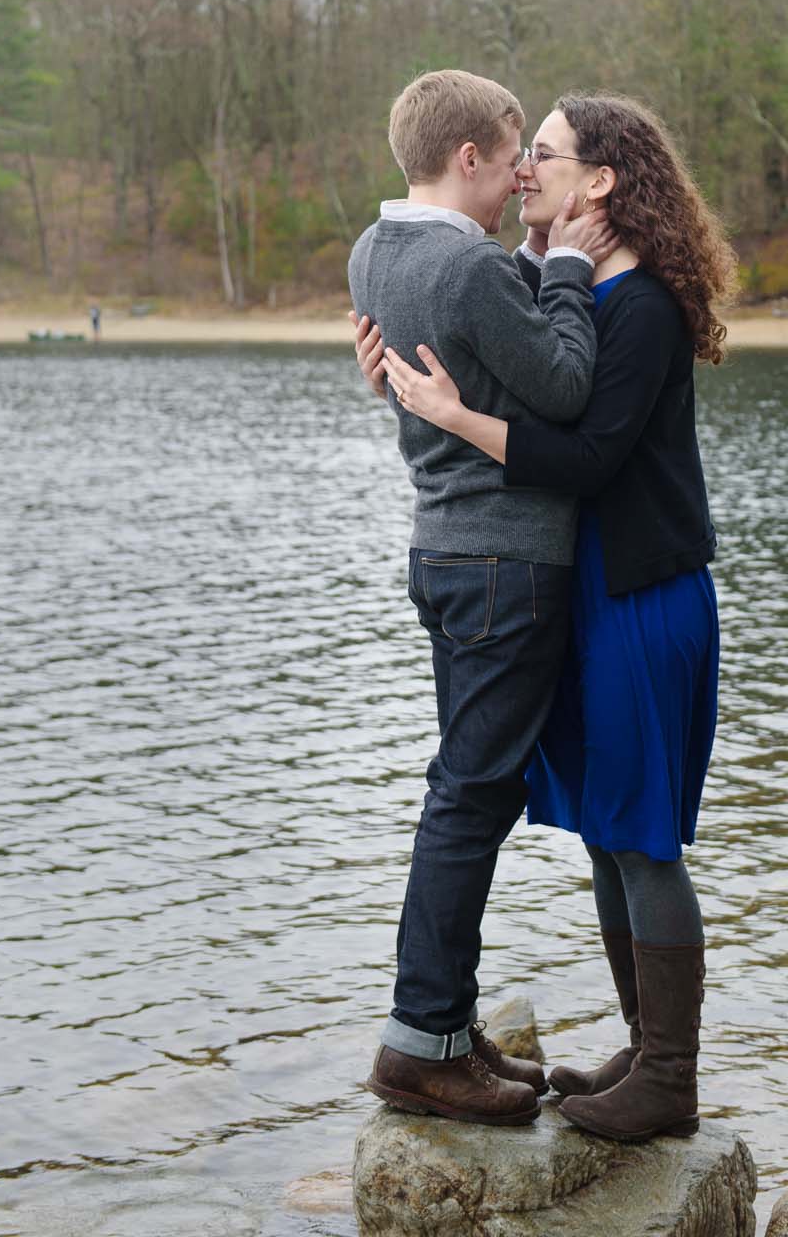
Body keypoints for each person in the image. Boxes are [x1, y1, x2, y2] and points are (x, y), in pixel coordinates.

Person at [370, 92, 737, 1145]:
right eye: (522, 153)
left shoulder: (647, 306)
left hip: (642, 598)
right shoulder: (568, 286)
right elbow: (511, 362)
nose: (526, 169)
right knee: (611, 840)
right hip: (591, 595)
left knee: (645, 839)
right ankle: (641, 1046)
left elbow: (582, 457)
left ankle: (669, 1077)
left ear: (604, 179)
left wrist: (452, 416)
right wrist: (408, 388)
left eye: (545, 154)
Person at [346, 69, 614, 1127]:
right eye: (512, 160)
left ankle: (444, 1026)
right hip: (506, 559)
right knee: (469, 793)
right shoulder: (470, 270)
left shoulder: (376, 250)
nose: (520, 181)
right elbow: (560, 386)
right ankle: (421, 1039)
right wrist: (569, 266)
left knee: (469, 786)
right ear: (468, 158)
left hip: (443, 551)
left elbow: (428, 380)